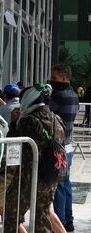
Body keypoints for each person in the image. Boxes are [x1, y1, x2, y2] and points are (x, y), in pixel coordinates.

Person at [4, 84, 66, 233]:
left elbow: (12, 143)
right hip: (52, 176)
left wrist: (13, 123)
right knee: (42, 214)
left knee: (12, 214)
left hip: (29, 178)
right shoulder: (57, 119)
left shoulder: (29, 121)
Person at [49, 64, 79, 232]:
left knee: (58, 187)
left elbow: (47, 113)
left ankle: (59, 223)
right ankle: (68, 220)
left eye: (54, 78)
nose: (52, 81)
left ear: (63, 77)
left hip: (58, 147)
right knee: (66, 185)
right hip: (67, 146)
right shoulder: (73, 94)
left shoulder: (59, 95)